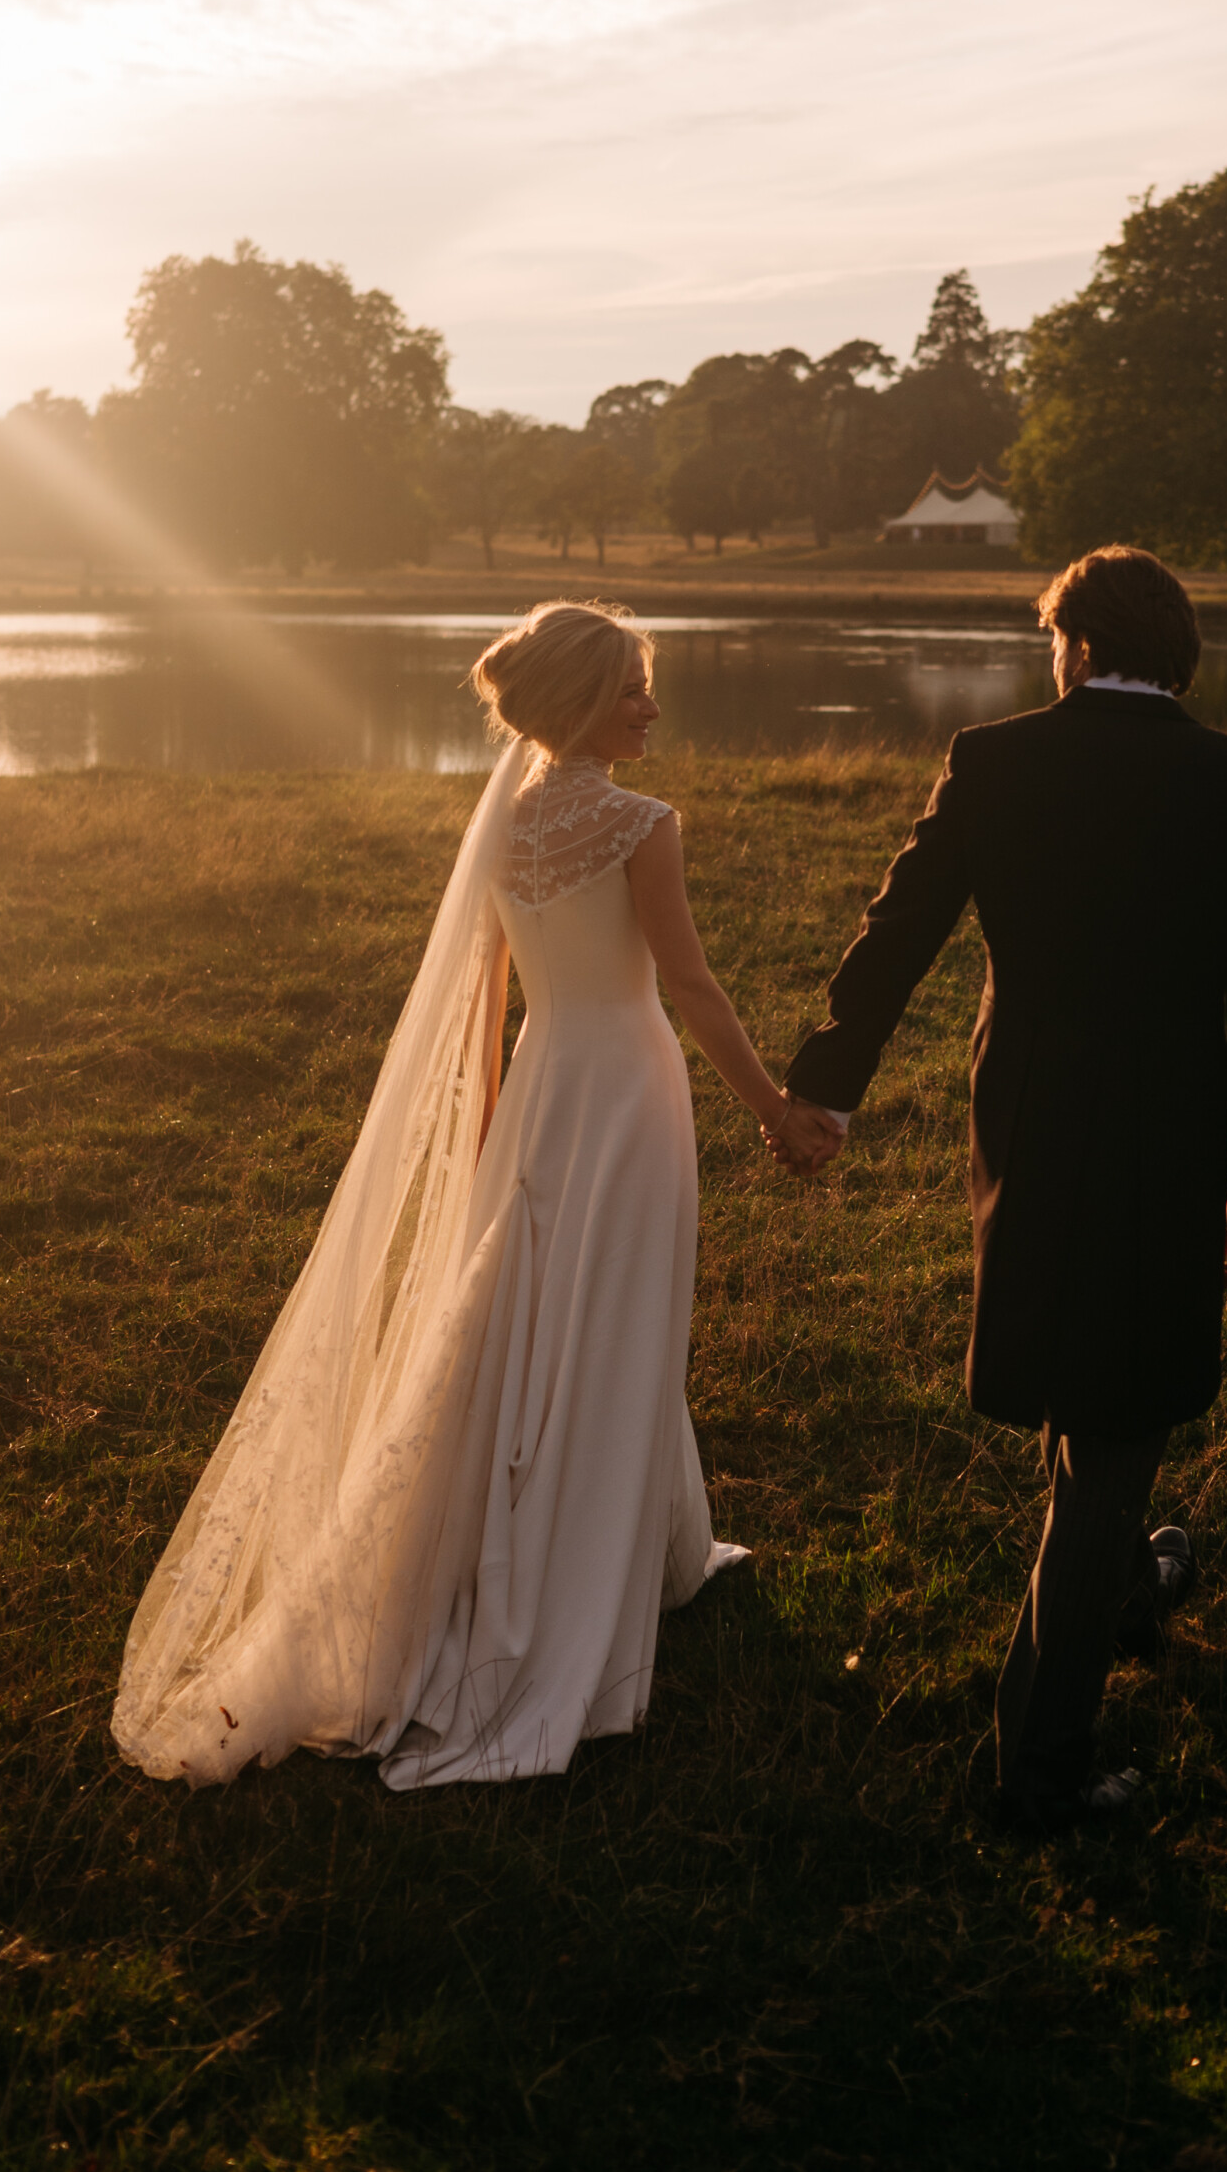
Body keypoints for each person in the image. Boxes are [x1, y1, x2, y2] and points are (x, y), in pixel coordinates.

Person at [113, 601, 802, 1790]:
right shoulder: (641, 822)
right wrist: (773, 1105)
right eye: (632, 686)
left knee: (547, 1312)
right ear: (583, 697)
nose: (650, 704)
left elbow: (486, 1002)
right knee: (615, 1308)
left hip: (543, 1090)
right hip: (627, 1091)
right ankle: (570, 1581)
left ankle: (657, 1543)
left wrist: (487, 1128)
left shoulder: (509, 820)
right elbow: (687, 982)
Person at [777, 545, 1227, 1833]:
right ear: (1172, 653)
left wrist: (827, 1087)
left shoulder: (992, 758)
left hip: (1022, 1121)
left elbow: (897, 926)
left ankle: (1122, 1583)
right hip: (1168, 1135)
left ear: (1070, 643)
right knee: (1119, 1406)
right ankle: (1040, 1769)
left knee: (1091, 1367)